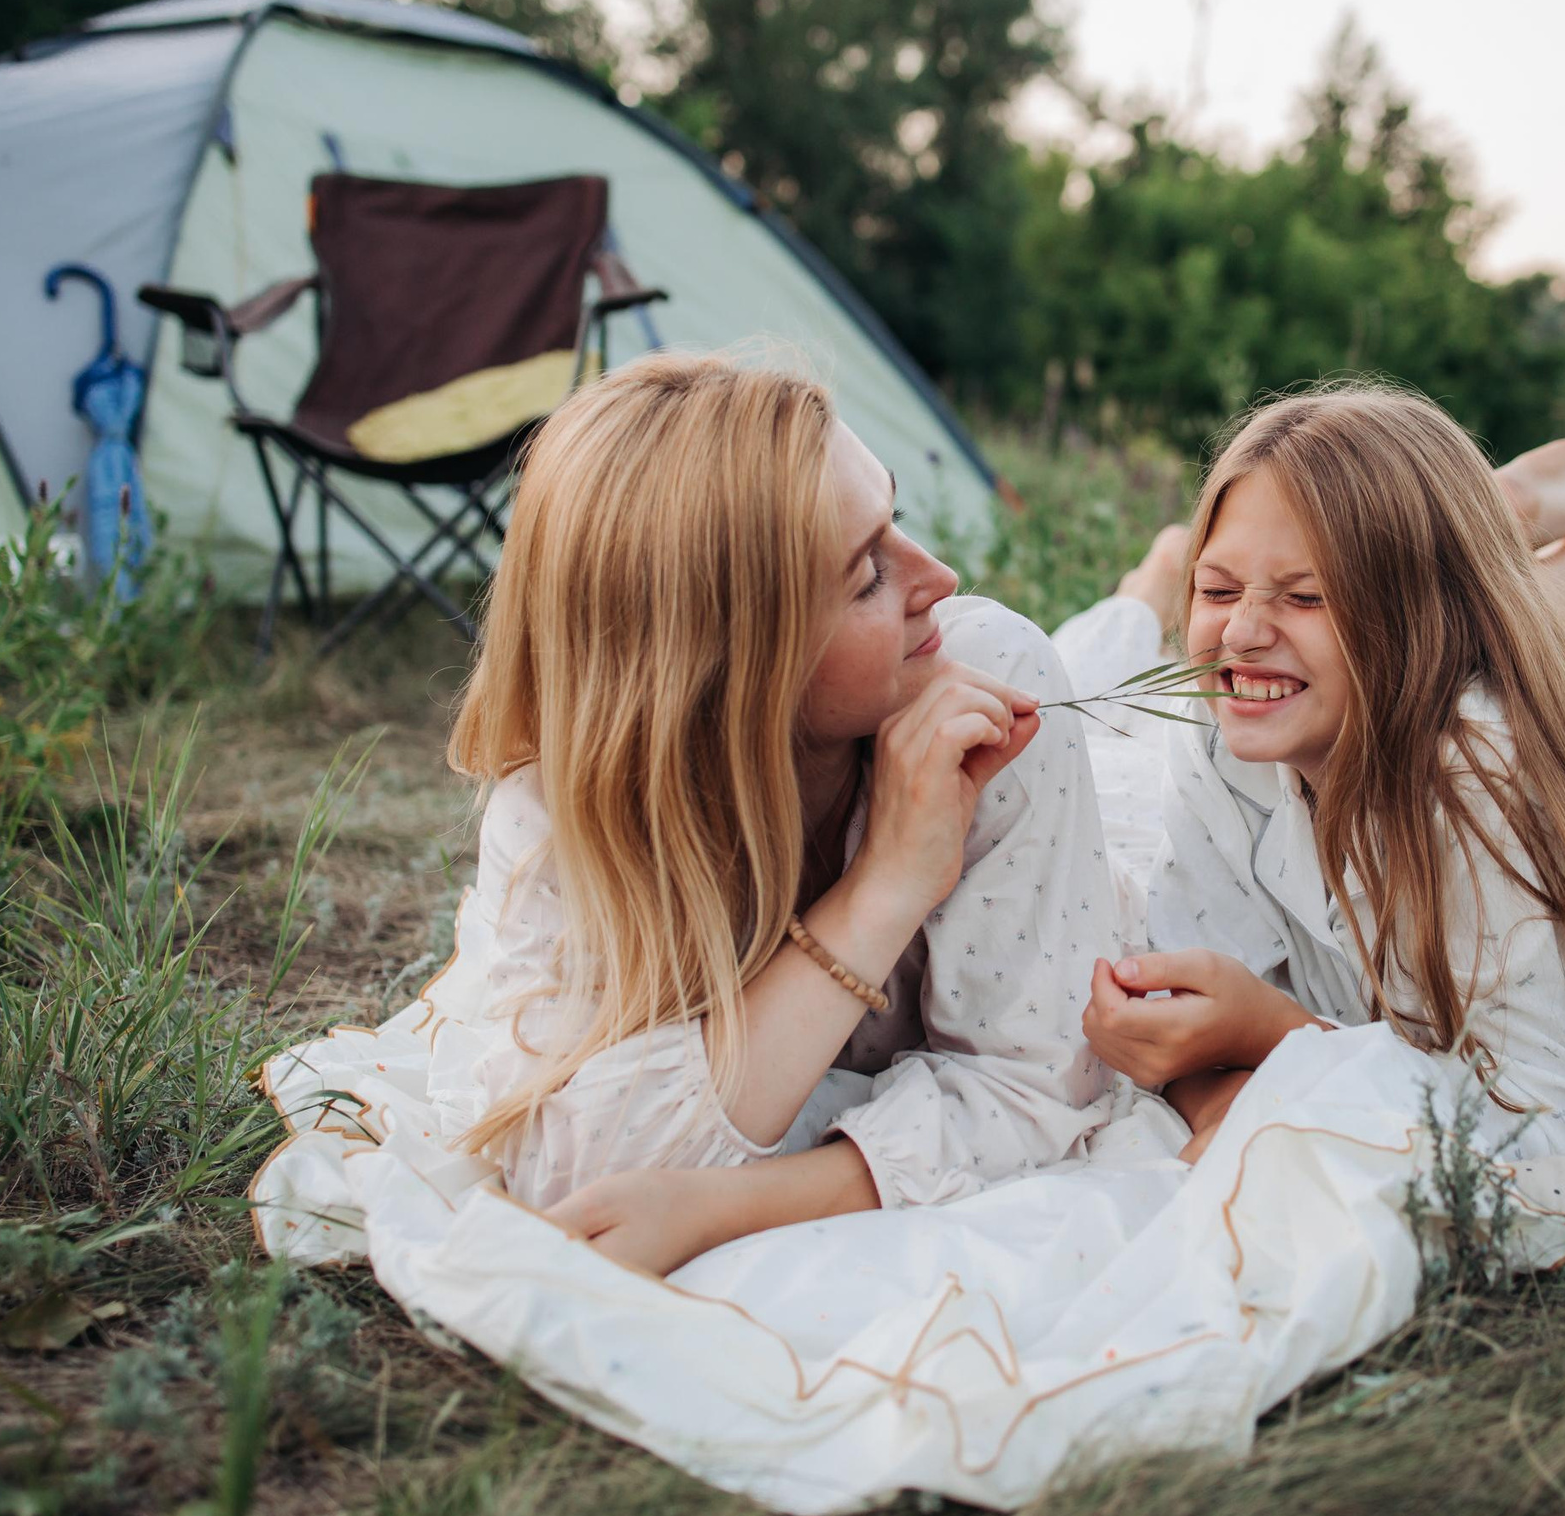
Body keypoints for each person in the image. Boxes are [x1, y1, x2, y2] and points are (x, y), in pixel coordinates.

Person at [428, 353, 1125, 1275]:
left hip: (1101, 819)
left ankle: (1140, 598)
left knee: (1111, 700)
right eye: (866, 575)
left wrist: (726, 1205)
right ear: (730, 669)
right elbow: (572, 1168)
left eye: (897, 520)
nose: (940, 576)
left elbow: (1041, 1084)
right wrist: (880, 889)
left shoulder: (986, 685)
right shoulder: (564, 797)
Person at [1062, 385, 1565, 1162]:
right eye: (1215, 586)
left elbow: (1535, 1109)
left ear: (1423, 618)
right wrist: (1204, 1080)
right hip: (1477, 705)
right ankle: (1507, 553)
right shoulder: (1212, 733)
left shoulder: (1489, 792)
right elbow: (1198, 997)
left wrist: (1271, 1036)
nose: (1237, 632)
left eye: (1306, 596)